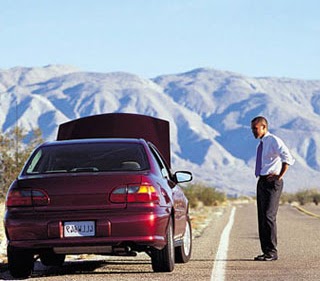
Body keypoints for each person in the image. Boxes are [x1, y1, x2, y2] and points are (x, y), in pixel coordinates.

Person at [251, 116, 295, 261]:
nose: (253, 131)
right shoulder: (262, 143)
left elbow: (287, 157)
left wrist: (279, 176)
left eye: (255, 128)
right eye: (252, 129)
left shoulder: (273, 140)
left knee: (269, 216)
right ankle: (266, 251)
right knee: (262, 217)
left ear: (264, 127)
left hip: (272, 183)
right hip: (262, 181)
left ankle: (272, 252)